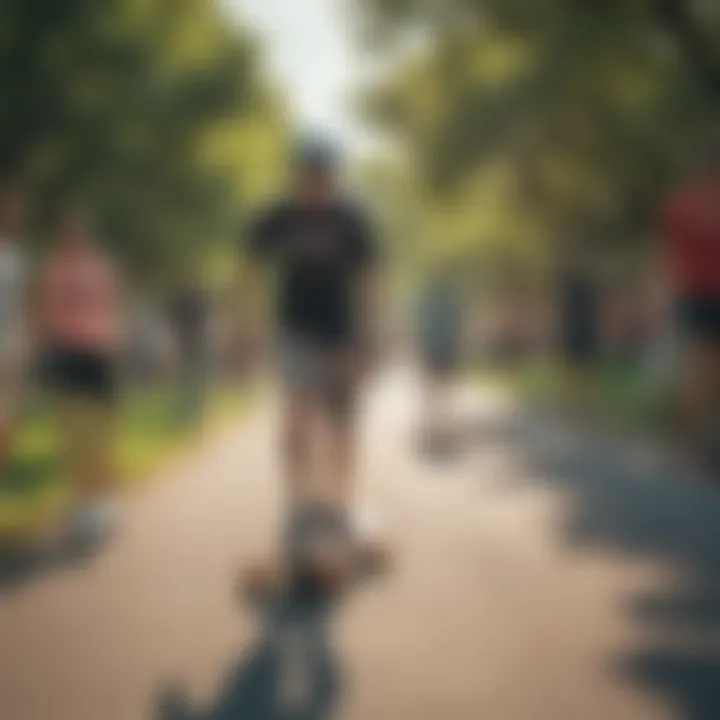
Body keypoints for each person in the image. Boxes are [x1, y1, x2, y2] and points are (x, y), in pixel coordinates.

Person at [240, 134, 382, 568]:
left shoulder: (352, 219)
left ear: (335, 176)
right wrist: (241, 327)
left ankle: (339, 500)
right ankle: (299, 499)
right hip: (295, 332)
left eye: (324, 176)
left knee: (342, 424)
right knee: (296, 410)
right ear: (297, 175)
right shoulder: (279, 217)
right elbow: (249, 268)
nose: (317, 184)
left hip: (342, 336)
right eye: (309, 175)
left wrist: (373, 336)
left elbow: (372, 281)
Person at [36, 207, 122, 541]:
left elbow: (111, 306)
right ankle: (81, 501)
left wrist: (112, 341)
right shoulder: (53, 271)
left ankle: (100, 501)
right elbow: (47, 310)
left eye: (77, 232)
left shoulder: (100, 268)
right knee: (72, 431)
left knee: (99, 430)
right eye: (67, 233)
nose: (72, 238)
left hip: (98, 352)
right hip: (67, 352)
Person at [660, 144, 720, 467]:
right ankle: (692, 442)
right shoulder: (682, 206)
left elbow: (669, 257)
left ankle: (697, 440)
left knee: (704, 371)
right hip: (698, 294)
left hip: (697, 294)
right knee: (702, 369)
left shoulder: (680, 204)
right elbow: (671, 256)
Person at [416, 262, 464, 453]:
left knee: (439, 388)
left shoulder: (438, 299)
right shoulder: (442, 299)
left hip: (440, 348)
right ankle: (435, 425)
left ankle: (438, 426)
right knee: (438, 388)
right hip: (437, 348)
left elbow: (457, 324)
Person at [0, 167, 29, 477]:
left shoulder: (15, 256)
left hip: (8, 346)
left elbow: (21, 306)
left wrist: (22, 347)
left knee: (6, 416)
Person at [168, 276, 210, 426]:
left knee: (190, 377)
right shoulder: (197, 302)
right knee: (193, 378)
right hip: (193, 342)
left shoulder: (184, 302)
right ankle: (193, 409)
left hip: (189, 342)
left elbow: (175, 319)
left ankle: (190, 409)